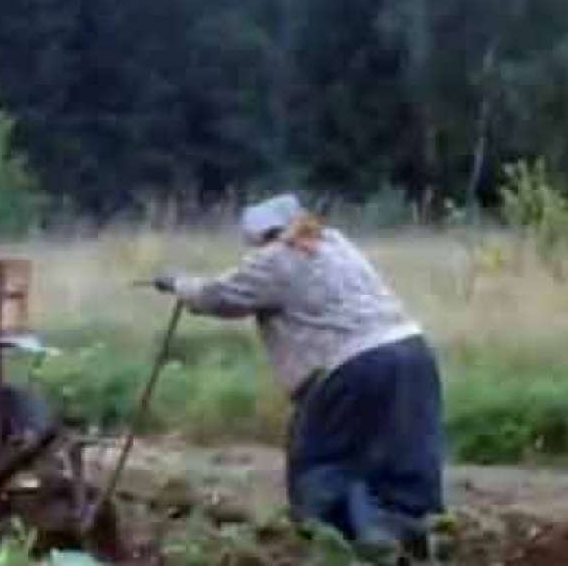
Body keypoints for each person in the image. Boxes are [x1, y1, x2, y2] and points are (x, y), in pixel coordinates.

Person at [153, 194, 444, 557]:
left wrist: (179, 284)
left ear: (263, 235)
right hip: (413, 353)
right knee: (402, 458)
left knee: (321, 462)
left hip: (350, 366)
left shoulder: (277, 259)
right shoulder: (336, 244)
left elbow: (221, 296)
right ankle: (403, 536)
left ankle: (341, 544)